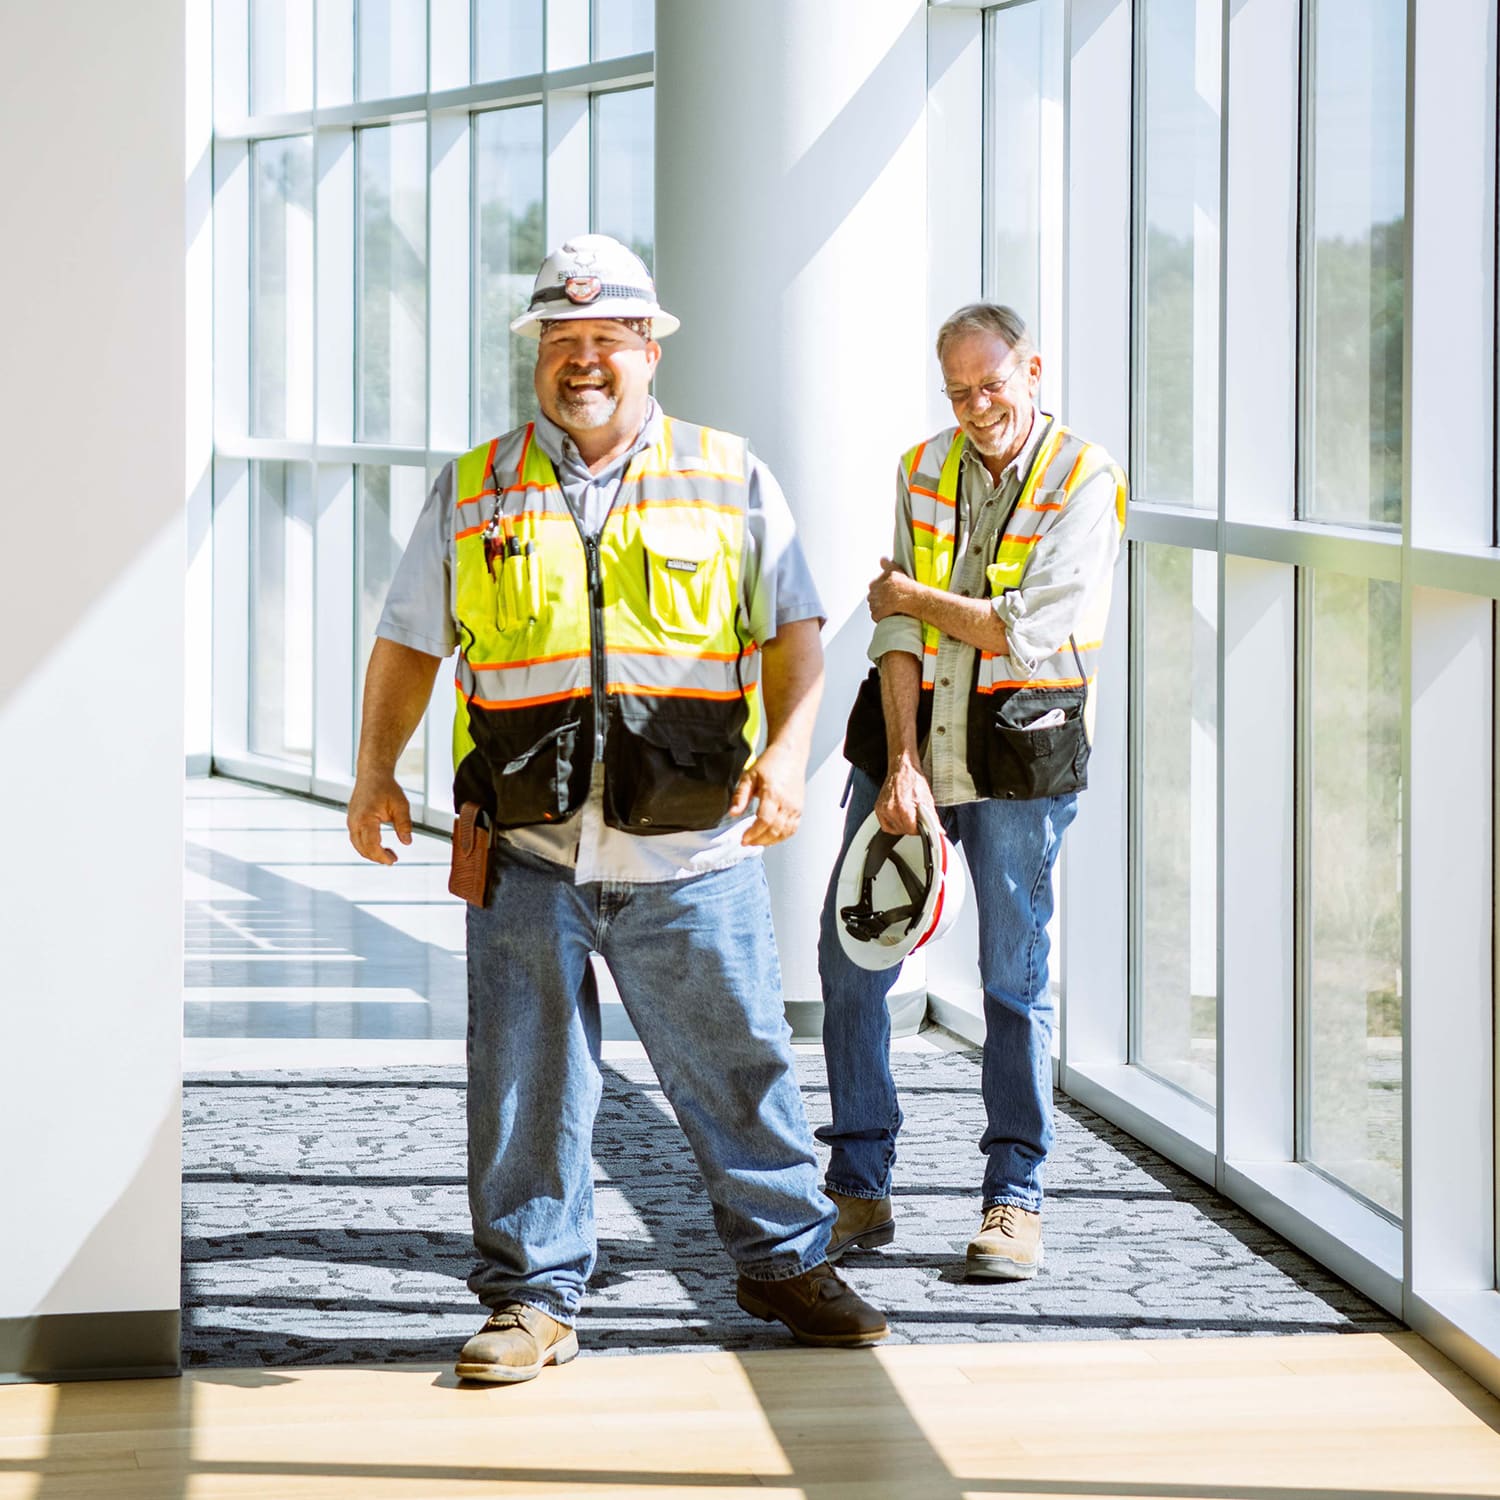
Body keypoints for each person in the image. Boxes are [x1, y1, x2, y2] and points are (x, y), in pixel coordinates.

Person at [347, 234, 887, 1384]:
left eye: (605, 340)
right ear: (537, 354)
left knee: (740, 1062)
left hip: (691, 849)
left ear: (650, 349)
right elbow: (408, 638)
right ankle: (532, 1297)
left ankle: (783, 1260)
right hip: (527, 846)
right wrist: (373, 771)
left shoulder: (726, 473)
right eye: (561, 341)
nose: (582, 361)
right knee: (525, 1077)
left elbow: (796, 626)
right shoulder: (477, 483)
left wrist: (789, 752)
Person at [817, 302, 1126, 1281]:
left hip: (1018, 757)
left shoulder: (1086, 477)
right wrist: (900, 762)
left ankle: (1013, 1198)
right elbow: (898, 635)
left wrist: (913, 597)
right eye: (958, 391)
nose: (976, 406)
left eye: (992, 384)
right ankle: (859, 1186)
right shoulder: (921, 467)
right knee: (851, 960)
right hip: (912, 740)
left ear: (1032, 369)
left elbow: (1029, 631)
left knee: (1012, 982)